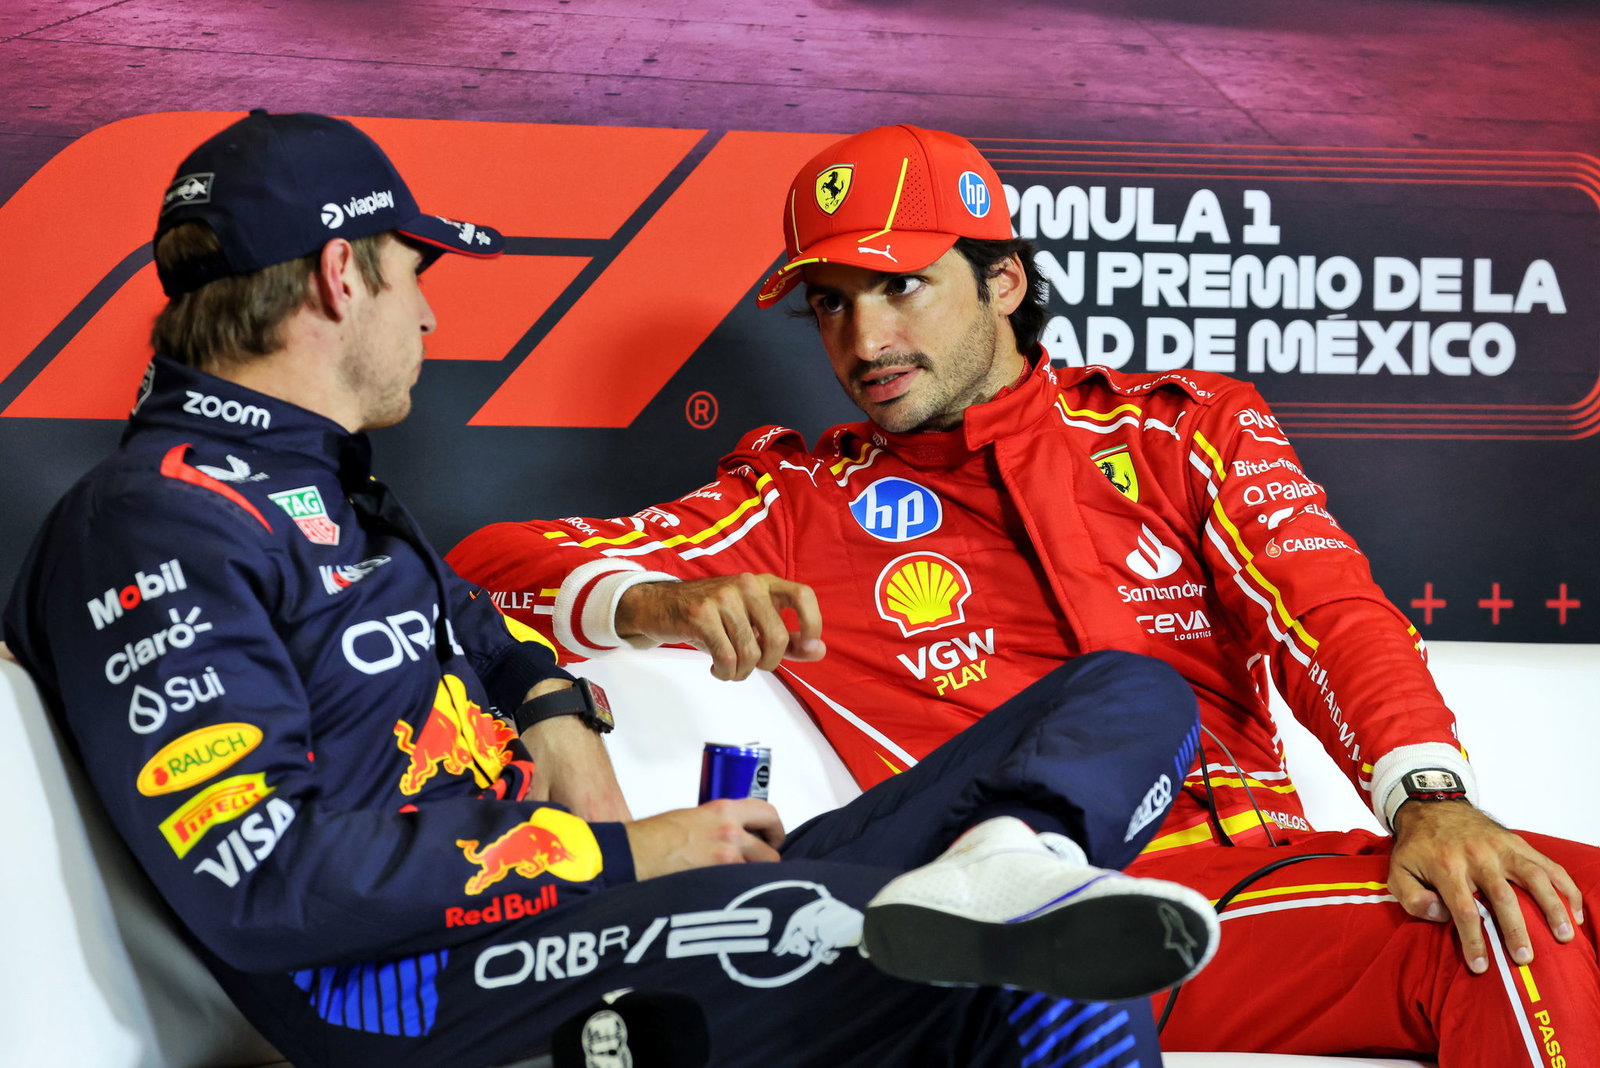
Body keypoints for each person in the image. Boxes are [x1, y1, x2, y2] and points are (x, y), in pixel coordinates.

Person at [1, 110, 1223, 1068]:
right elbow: (270, 880)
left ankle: (1021, 848)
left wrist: (556, 710)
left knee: (1128, 690)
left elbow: (482, 631)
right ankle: (992, 903)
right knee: (1015, 969)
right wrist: (624, 855)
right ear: (338, 277)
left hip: (573, 915)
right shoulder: (152, 521)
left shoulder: (330, 486)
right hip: (418, 989)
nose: (429, 313)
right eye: (413, 271)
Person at [448, 124, 1600, 1065]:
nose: (864, 338)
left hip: (1273, 869)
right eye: (832, 303)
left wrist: (1428, 798)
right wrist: (657, 605)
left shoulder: (1180, 429)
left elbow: (1329, 614)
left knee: (1543, 894)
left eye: (900, 287)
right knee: (1509, 932)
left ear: (1002, 280)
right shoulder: (799, 493)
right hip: (1067, 927)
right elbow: (486, 562)